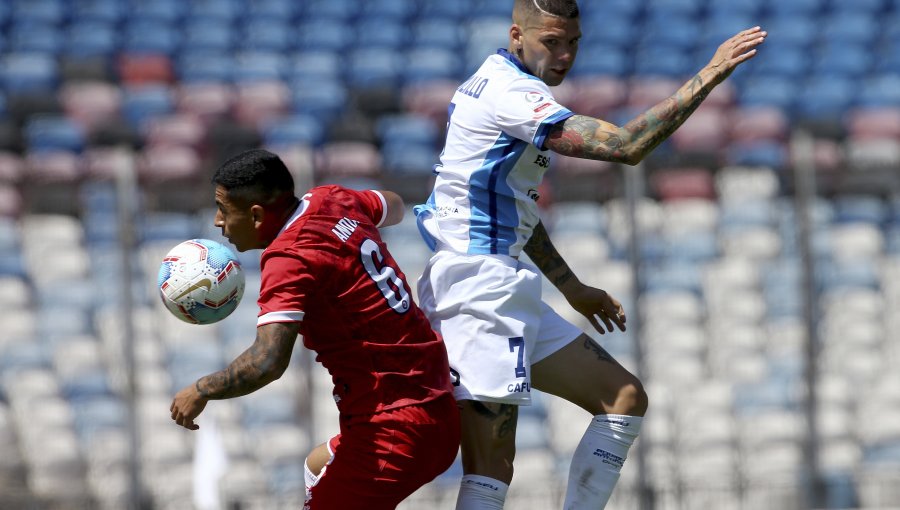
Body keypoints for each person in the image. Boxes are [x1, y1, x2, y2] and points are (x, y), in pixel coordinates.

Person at [413, 0, 767, 508]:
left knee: (622, 399)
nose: (564, 56)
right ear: (518, 35)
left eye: (573, 43)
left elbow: (510, 207)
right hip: (478, 287)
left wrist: (571, 286)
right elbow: (626, 145)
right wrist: (710, 75)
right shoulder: (512, 94)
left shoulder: (500, 83)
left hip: (499, 281)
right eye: (551, 42)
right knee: (491, 466)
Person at [169, 149, 461, 510]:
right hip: (434, 403)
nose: (217, 222)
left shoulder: (289, 259)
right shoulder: (331, 199)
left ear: (257, 215)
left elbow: (267, 362)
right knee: (316, 466)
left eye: (224, 210)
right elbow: (394, 204)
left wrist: (201, 390)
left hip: (394, 428)